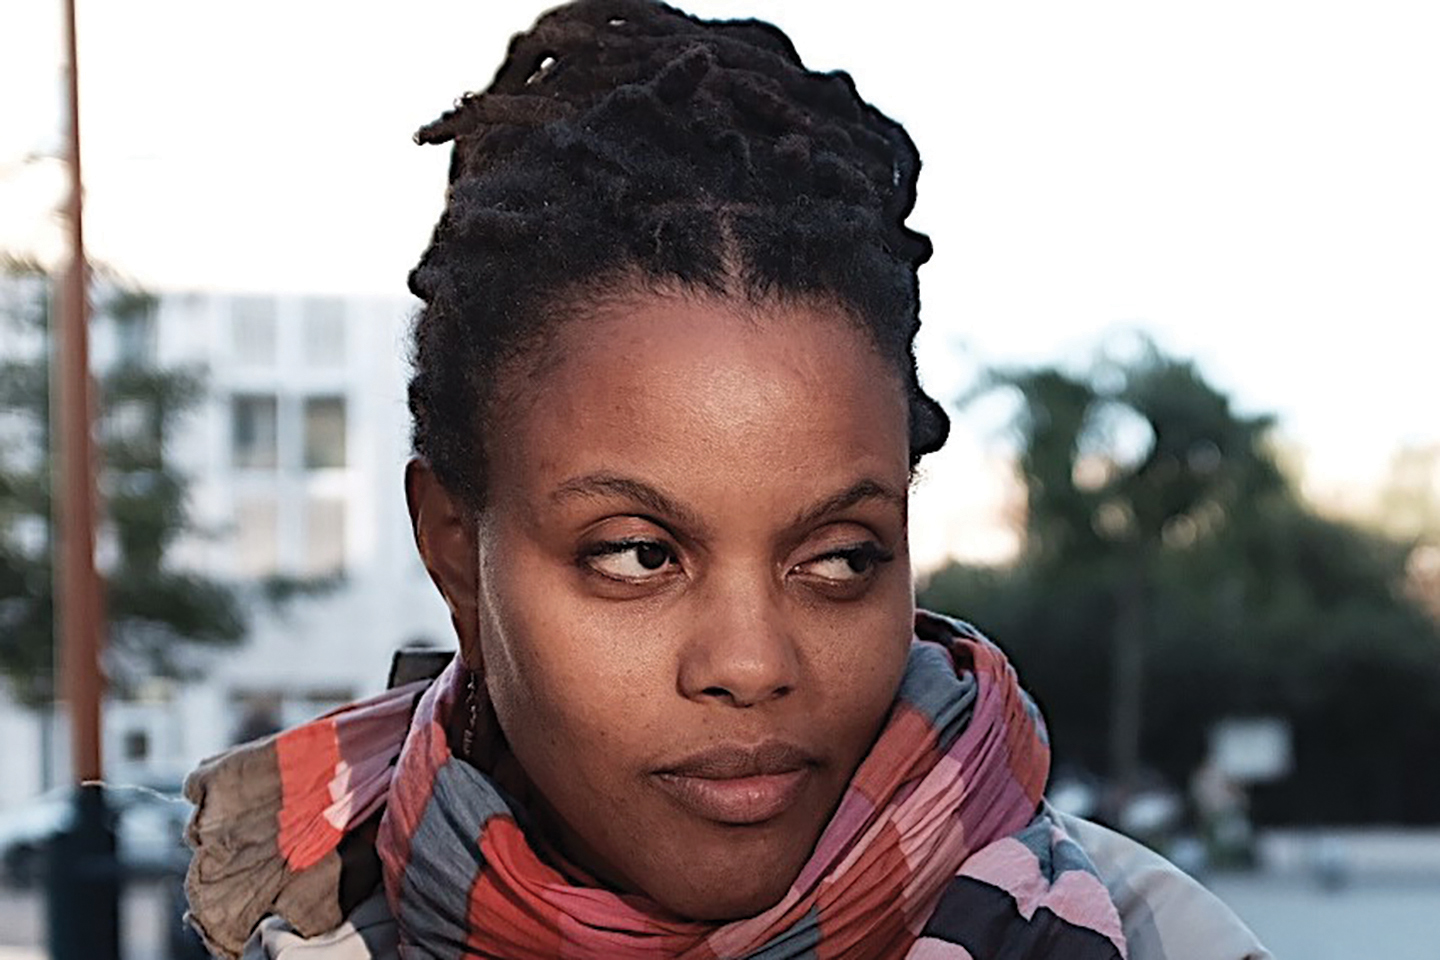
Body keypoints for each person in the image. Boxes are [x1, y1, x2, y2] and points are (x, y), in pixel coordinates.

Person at [183, 2, 1271, 957]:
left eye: (840, 559)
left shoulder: (1134, 940)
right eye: (639, 555)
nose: (752, 665)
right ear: (455, 553)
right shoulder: (305, 923)